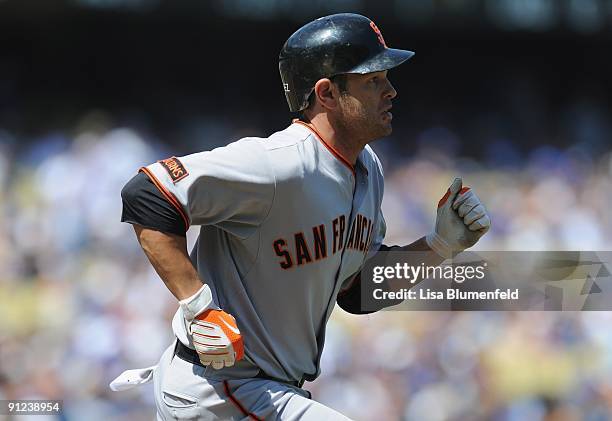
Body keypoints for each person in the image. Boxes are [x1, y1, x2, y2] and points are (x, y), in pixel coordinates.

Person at [111, 13, 491, 420]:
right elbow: (147, 194)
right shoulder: (277, 163)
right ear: (327, 93)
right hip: (218, 388)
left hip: (261, 390)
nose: (391, 90)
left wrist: (439, 246)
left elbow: (358, 293)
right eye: (373, 80)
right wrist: (198, 306)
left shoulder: (369, 170)